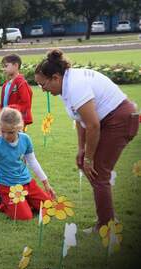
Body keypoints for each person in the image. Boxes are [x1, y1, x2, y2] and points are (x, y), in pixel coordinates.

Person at [34, 49, 139, 231]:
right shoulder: (66, 85)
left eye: (43, 85)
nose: (42, 90)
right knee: (91, 168)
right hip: (107, 121)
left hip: (120, 120)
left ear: (56, 78)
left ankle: (106, 225)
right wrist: (81, 150)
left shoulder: (75, 86)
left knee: (98, 171)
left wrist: (90, 158)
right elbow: (80, 119)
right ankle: (109, 219)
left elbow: (93, 125)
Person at [0, 107, 56, 220]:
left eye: (10, 132)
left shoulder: (25, 139)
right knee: (26, 216)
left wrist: (46, 184)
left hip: (27, 183)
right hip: (8, 186)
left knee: (50, 208)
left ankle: (25, 201)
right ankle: (4, 203)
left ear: (19, 128)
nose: (5, 136)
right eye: (2, 131)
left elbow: (33, 161)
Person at [0, 54, 33, 129]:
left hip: (16, 120)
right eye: (3, 67)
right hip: (5, 119)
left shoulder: (21, 83)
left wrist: (10, 109)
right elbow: (3, 104)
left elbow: (26, 103)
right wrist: (2, 111)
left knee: (15, 140)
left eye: (6, 66)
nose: (4, 69)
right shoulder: (6, 84)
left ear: (16, 65)